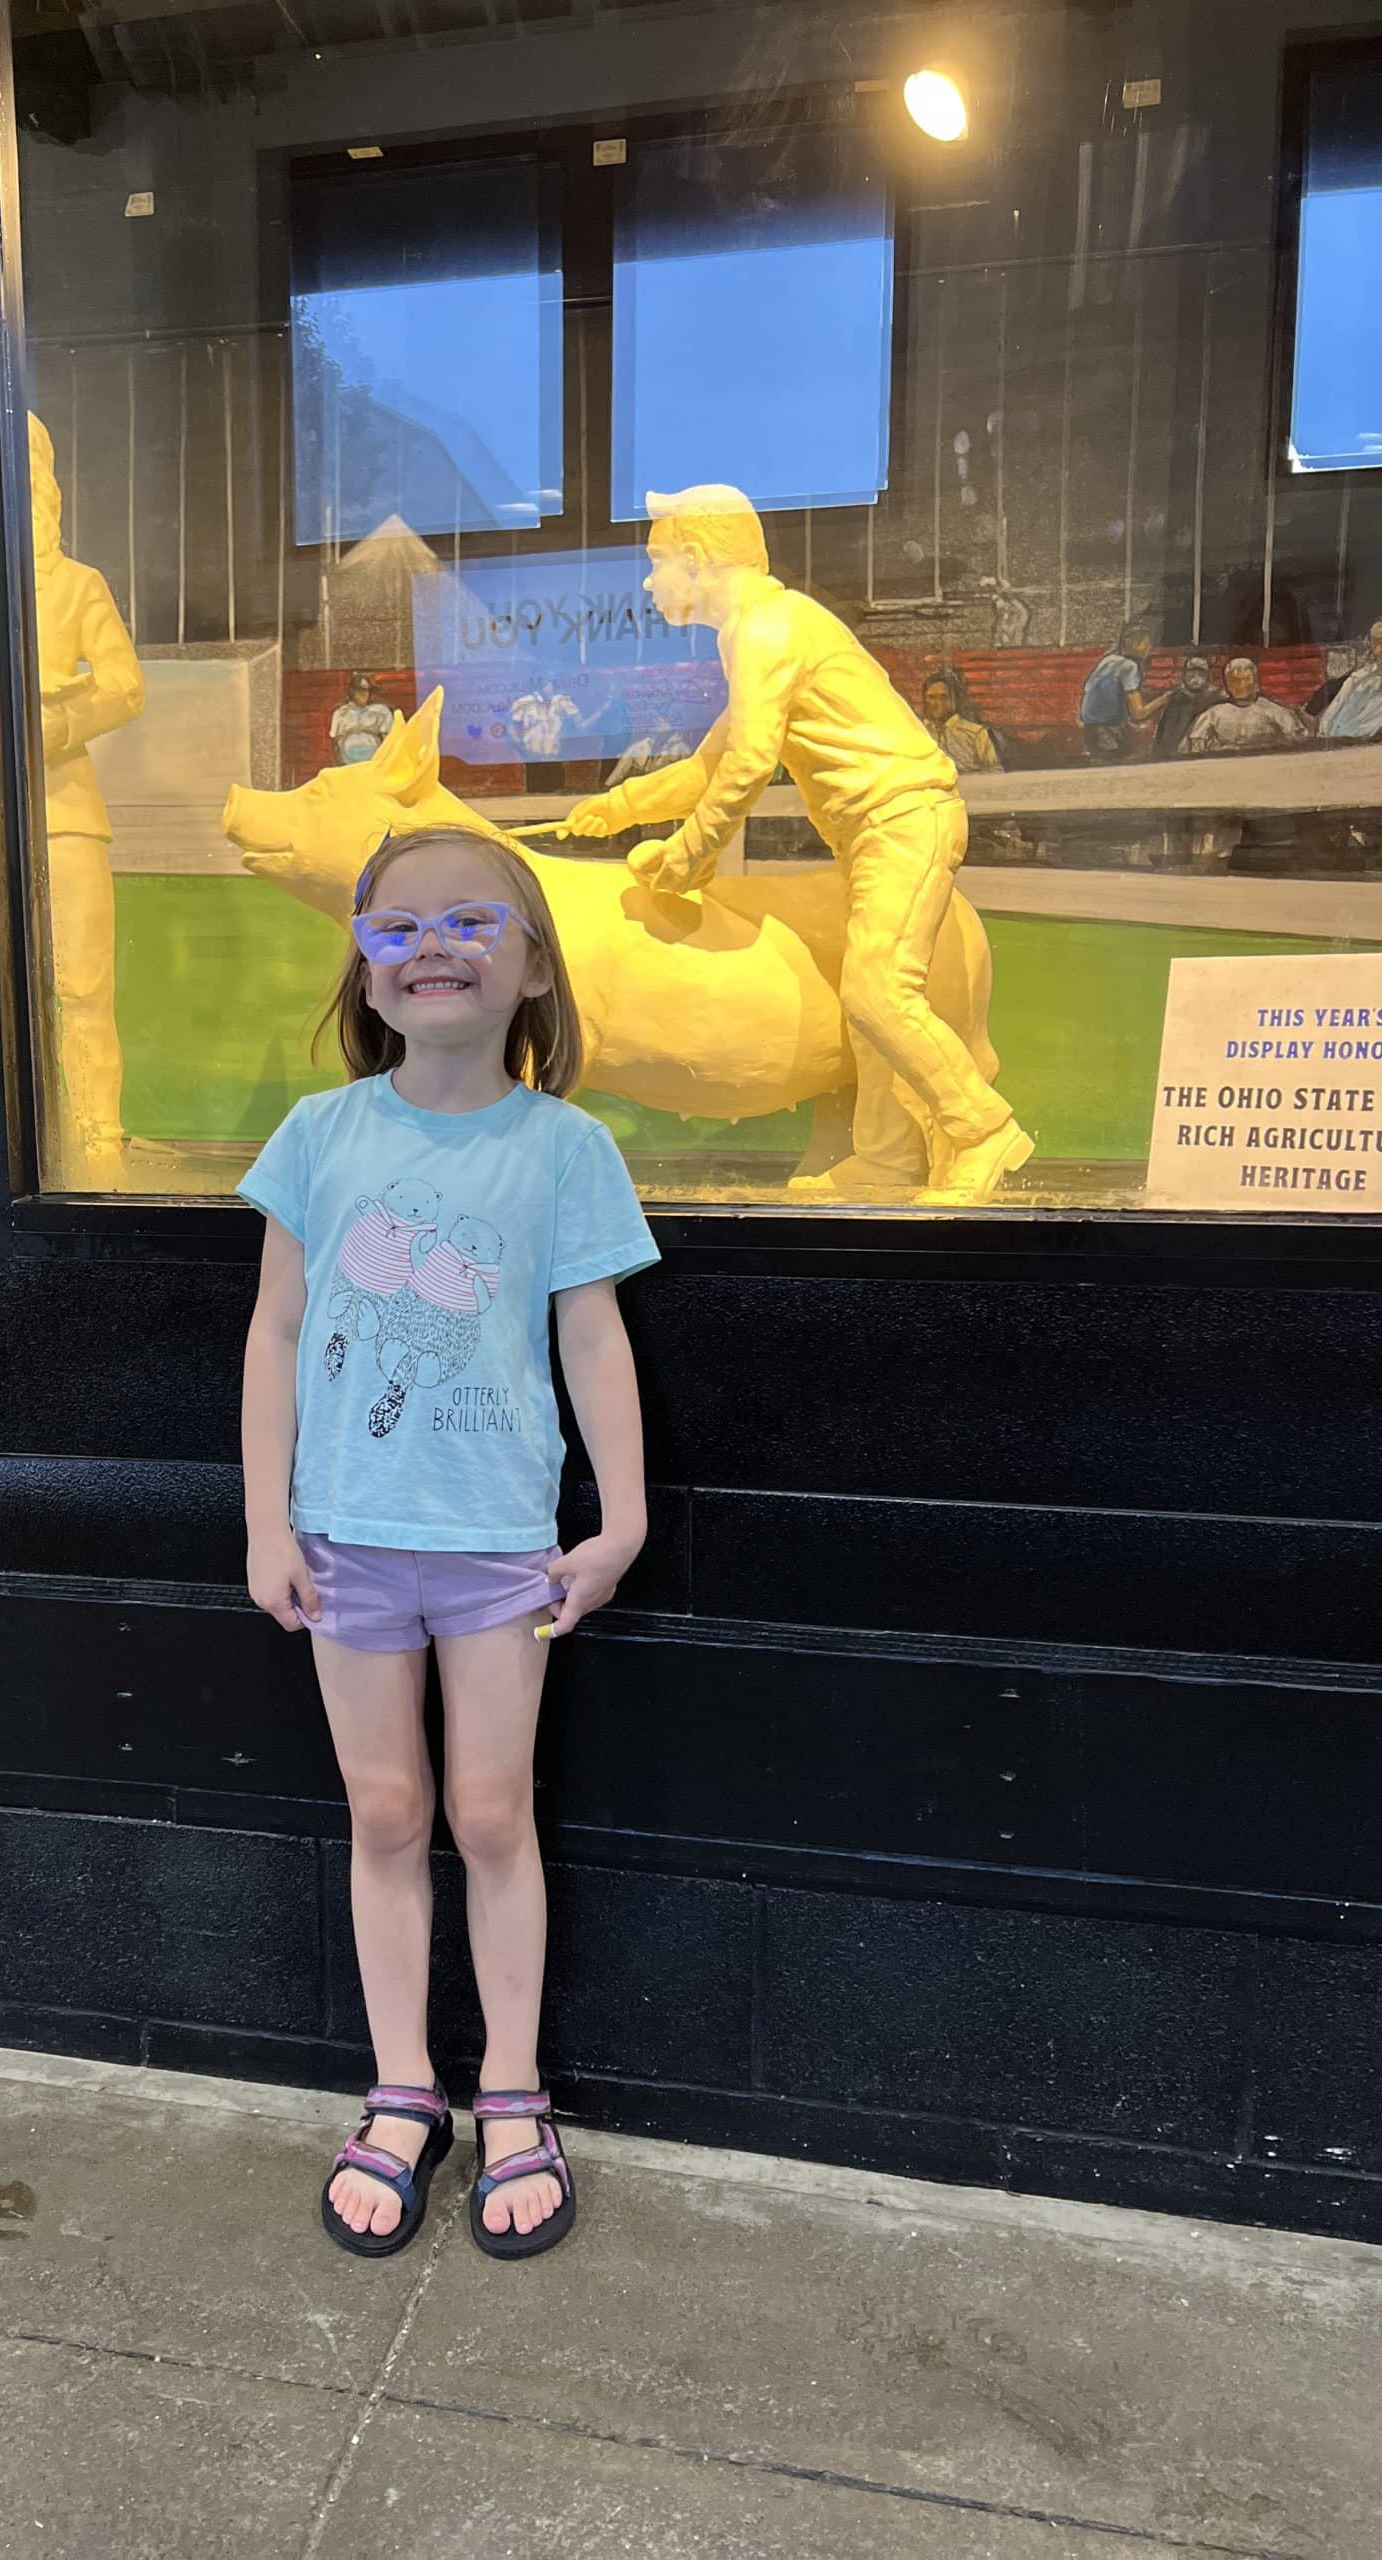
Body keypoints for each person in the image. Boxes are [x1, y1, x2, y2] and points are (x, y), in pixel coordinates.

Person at [238, 823, 657, 2263]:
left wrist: (624, 1520)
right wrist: (264, 1521)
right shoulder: (319, 1138)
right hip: (347, 1539)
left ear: (534, 965)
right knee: (385, 1814)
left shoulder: (567, 1150)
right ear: (362, 968)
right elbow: (277, 1332)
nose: (433, 949)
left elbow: (591, 1337)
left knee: (491, 1817)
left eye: (474, 921)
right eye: (396, 928)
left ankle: (516, 2091)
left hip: (497, 1548)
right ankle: (403, 2084)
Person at [558, 483, 1031, 1202]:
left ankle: (979, 1128)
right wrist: (618, 807)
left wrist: (689, 856)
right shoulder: (760, 629)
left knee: (878, 990)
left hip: (902, 820)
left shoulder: (767, 630)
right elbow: (709, 766)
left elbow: (750, 763)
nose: (651, 581)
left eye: (657, 563)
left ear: (696, 557)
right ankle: (887, 1160)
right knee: (867, 994)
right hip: (881, 828)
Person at [29, 414, 146, 1184]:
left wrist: (54, 721)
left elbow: (124, 686)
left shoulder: (76, 585)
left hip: (65, 815)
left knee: (81, 985)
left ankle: (99, 1135)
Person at [1182, 657, 1313, 755]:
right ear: (1227, 684)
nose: (1241, 685)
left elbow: (1300, 740)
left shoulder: (1274, 711)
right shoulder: (1213, 714)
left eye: (1246, 679)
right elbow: (1195, 748)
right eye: (1235, 680)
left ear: (1255, 681)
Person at [1078, 622, 1171, 760]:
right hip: (1109, 734)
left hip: (1090, 732)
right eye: (1145, 644)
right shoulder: (1130, 667)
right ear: (1132, 644)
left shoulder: (1108, 660)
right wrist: (1164, 699)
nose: (1149, 648)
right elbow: (1138, 713)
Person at [508, 673, 579, 790]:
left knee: (558, 796)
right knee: (535, 797)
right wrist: (523, 751)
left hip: (555, 759)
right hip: (533, 760)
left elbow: (578, 725)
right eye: (548, 683)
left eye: (553, 684)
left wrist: (567, 747)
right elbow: (509, 729)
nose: (552, 687)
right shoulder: (523, 703)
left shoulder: (562, 702)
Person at [919, 671, 1000, 773]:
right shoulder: (918, 733)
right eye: (931, 697)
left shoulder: (975, 733)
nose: (936, 703)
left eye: (943, 697)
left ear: (954, 699)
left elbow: (995, 771)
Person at [1151, 654, 1220, 760]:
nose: (1196, 676)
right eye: (1192, 671)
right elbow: (1163, 739)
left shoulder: (1215, 699)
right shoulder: (1175, 700)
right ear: (1184, 675)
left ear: (1207, 676)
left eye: (1200, 672)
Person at [331, 672, 395, 767]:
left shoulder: (380, 711)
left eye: (366, 690)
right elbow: (337, 742)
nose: (364, 694)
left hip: (373, 763)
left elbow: (387, 740)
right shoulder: (341, 714)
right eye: (360, 690)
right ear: (352, 691)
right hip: (349, 764)